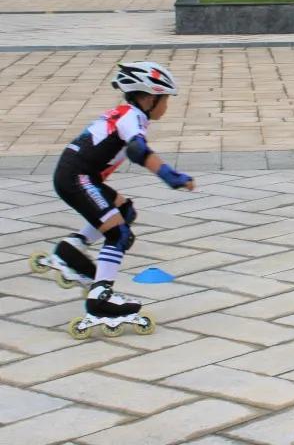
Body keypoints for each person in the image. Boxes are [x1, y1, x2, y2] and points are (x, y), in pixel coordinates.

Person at [36, 62, 194, 338]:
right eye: (165, 99)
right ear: (148, 97)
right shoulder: (130, 118)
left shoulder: (128, 114)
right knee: (119, 233)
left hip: (78, 175)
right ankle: (100, 299)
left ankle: (71, 250)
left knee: (125, 211)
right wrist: (172, 177)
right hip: (78, 178)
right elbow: (137, 150)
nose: (166, 106)